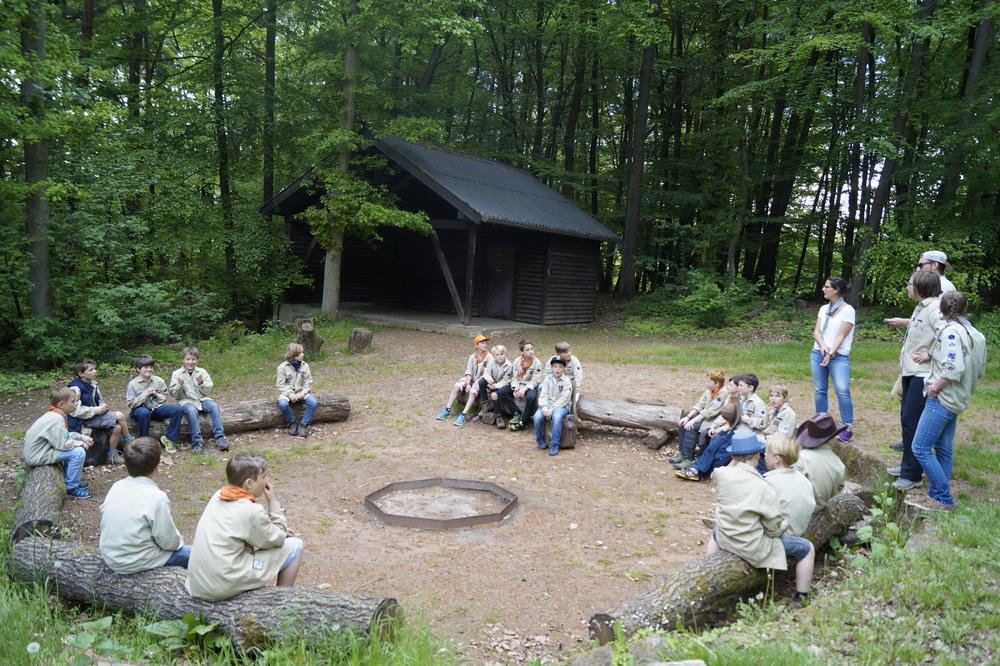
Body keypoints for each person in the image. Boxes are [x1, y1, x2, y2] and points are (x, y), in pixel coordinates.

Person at [705, 431, 815, 605]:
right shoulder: (766, 487)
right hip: (753, 545)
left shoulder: (721, 474)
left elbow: (719, 472)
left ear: (732, 456)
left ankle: (708, 572)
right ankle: (802, 595)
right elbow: (772, 529)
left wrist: (734, 459)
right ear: (757, 456)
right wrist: (783, 527)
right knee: (808, 548)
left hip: (727, 536)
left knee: (715, 533)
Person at [186, 452, 304, 601]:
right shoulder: (251, 510)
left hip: (198, 584)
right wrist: (273, 502)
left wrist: (274, 532)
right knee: (295, 546)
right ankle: (282, 603)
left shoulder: (218, 496)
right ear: (249, 483)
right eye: (263, 477)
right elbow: (278, 539)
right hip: (221, 585)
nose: (267, 481)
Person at [908, 291, 987, 512]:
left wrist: (934, 388)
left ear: (941, 309)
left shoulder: (951, 332)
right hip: (959, 398)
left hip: (943, 398)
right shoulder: (975, 334)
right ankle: (935, 495)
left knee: (920, 447)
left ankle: (943, 497)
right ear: (965, 308)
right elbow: (980, 370)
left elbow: (953, 368)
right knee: (943, 449)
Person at [885, 271, 942, 491]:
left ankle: (912, 475)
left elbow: (947, 334)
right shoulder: (921, 307)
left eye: (910, 284)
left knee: (912, 422)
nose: (907, 287)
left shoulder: (935, 309)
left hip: (922, 374)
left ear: (919, 288)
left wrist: (929, 354)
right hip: (910, 371)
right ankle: (906, 466)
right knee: (907, 421)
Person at [99, 437, 191, 573]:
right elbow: (169, 542)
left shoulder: (116, 486)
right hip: (136, 561)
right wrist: (179, 542)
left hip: (111, 556)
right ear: (156, 465)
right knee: (197, 554)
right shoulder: (157, 498)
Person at [676, 374, 766, 481]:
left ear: (750, 388)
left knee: (722, 454)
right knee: (712, 447)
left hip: (745, 437)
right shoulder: (741, 399)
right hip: (734, 431)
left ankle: (702, 473)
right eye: (739, 385)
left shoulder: (758, 403)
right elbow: (733, 419)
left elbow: (760, 424)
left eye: (741, 385)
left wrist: (743, 417)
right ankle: (695, 469)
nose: (739, 387)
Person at [23, 387, 94, 498]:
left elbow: (64, 435)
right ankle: (71, 487)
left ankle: (69, 479)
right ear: (61, 404)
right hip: (37, 456)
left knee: (76, 450)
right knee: (78, 452)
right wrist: (81, 443)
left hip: (41, 450)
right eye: (73, 401)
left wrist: (82, 437)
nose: (76, 403)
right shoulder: (56, 419)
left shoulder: (55, 415)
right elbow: (65, 444)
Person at [810, 277, 856, 441]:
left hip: (838, 357)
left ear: (836, 290)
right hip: (818, 353)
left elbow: (841, 336)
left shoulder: (848, 310)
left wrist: (830, 353)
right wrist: (822, 346)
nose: (823, 289)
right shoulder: (824, 308)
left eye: (827, 287)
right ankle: (821, 423)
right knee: (820, 389)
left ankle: (847, 427)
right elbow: (816, 332)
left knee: (842, 390)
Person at [68, 358, 134, 465]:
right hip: (82, 421)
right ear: (81, 373)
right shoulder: (75, 388)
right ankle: (128, 441)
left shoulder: (92, 384)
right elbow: (74, 411)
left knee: (117, 428)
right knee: (120, 415)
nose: (95, 371)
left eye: (95, 369)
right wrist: (96, 410)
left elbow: (98, 400)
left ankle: (111, 456)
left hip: (93, 416)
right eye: (91, 370)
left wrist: (103, 407)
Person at [169, 346, 229, 453]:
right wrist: (179, 384)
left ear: (197, 360)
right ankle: (197, 442)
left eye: (193, 359)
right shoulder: (176, 374)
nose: (190, 362)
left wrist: (201, 383)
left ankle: (220, 437)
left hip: (201, 399)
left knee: (214, 406)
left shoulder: (202, 372)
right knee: (192, 410)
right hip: (185, 401)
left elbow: (208, 390)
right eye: (188, 359)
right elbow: (173, 393)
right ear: (183, 360)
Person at [126, 355, 186, 455]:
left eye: (151, 367)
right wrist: (145, 394)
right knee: (144, 412)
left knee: (178, 409)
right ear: (138, 369)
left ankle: (169, 439)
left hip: (155, 408)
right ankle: (144, 443)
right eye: (146, 367)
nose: (149, 369)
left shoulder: (159, 380)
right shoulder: (132, 384)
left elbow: (165, 397)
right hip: (139, 410)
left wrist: (156, 394)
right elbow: (131, 404)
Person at [671, 369, 728, 470]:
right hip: (704, 418)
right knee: (683, 424)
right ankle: (682, 453)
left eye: (709, 381)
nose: (706, 383)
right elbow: (699, 404)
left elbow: (711, 411)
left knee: (692, 427)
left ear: (717, 383)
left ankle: (688, 459)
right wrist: (688, 417)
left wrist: (693, 420)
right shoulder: (709, 390)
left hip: (713, 421)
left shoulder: (723, 394)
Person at [763, 434, 816, 537]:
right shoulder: (804, 480)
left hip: (779, 536)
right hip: (799, 532)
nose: (764, 454)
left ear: (776, 459)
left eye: (767, 452)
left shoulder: (769, 482)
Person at [792, 413, 847, 510]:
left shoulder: (799, 459)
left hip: (801, 512)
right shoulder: (840, 466)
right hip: (824, 514)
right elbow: (839, 496)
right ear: (832, 437)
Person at [436, 335, 493, 426]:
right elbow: (468, 371)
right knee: (456, 386)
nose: (485, 344)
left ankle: (463, 414)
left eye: (485, 342)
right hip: (471, 378)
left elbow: (486, 373)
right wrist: (468, 383)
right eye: (482, 343)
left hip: (481, 380)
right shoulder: (472, 357)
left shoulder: (489, 357)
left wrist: (474, 384)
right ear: (477, 345)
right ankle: (447, 410)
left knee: (472, 392)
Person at [497, 339, 543, 432]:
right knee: (501, 391)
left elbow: (535, 380)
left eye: (532, 349)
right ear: (522, 352)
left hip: (529, 386)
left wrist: (524, 389)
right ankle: (516, 413)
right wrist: (516, 388)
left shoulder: (537, 363)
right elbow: (514, 377)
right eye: (528, 350)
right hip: (518, 384)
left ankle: (524, 420)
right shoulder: (517, 361)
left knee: (531, 397)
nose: (531, 351)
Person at [533, 355, 573, 456]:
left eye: (560, 367)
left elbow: (564, 399)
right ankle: (540, 440)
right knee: (537, 417)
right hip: (547, 405)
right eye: (555, 366)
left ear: (564, 368)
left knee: (557, 417)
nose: (557, 369)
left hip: (562, 407)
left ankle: (555, 445)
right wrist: (544, 407)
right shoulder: (547, 379)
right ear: (551, 368)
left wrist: (551, 410)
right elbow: (543, 395)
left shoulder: (566, 382)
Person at [276, 343, 316, 437]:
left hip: (301, 392)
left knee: (313, 402)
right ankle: (292, 423)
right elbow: (280, 384)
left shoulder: (305, 366)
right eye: (300, 353)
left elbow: (308, 382)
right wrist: (290, 394)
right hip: (287, 393)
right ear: (294, 354)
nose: (303, 354)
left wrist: (303, 393)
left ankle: (304, 425)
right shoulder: (282, 367)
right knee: (282, 404)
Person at [478, 345, 514, 429]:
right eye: (497, 355)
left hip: (502, 385)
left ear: (505, 354)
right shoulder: (492, 362)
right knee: (481, 382)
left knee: (494, 395)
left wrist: (495, 386)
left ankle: (498, 416)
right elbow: (486, 373)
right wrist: (489, 379)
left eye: (502, 354)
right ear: (494, 356)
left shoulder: (509, 365)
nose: (500, 357)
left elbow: (506, 380)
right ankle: (485, 405)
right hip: (492, 382)